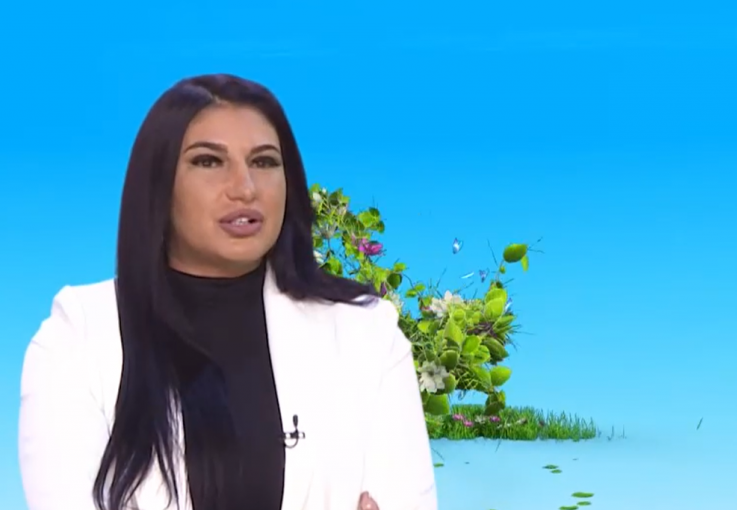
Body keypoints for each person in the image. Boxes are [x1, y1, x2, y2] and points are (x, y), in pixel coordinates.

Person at [18, 74, 437, 510]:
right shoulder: (77, 337)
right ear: (159, 182)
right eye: (208, 161)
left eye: (264, 162)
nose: (245, 188)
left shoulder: (366, 333)